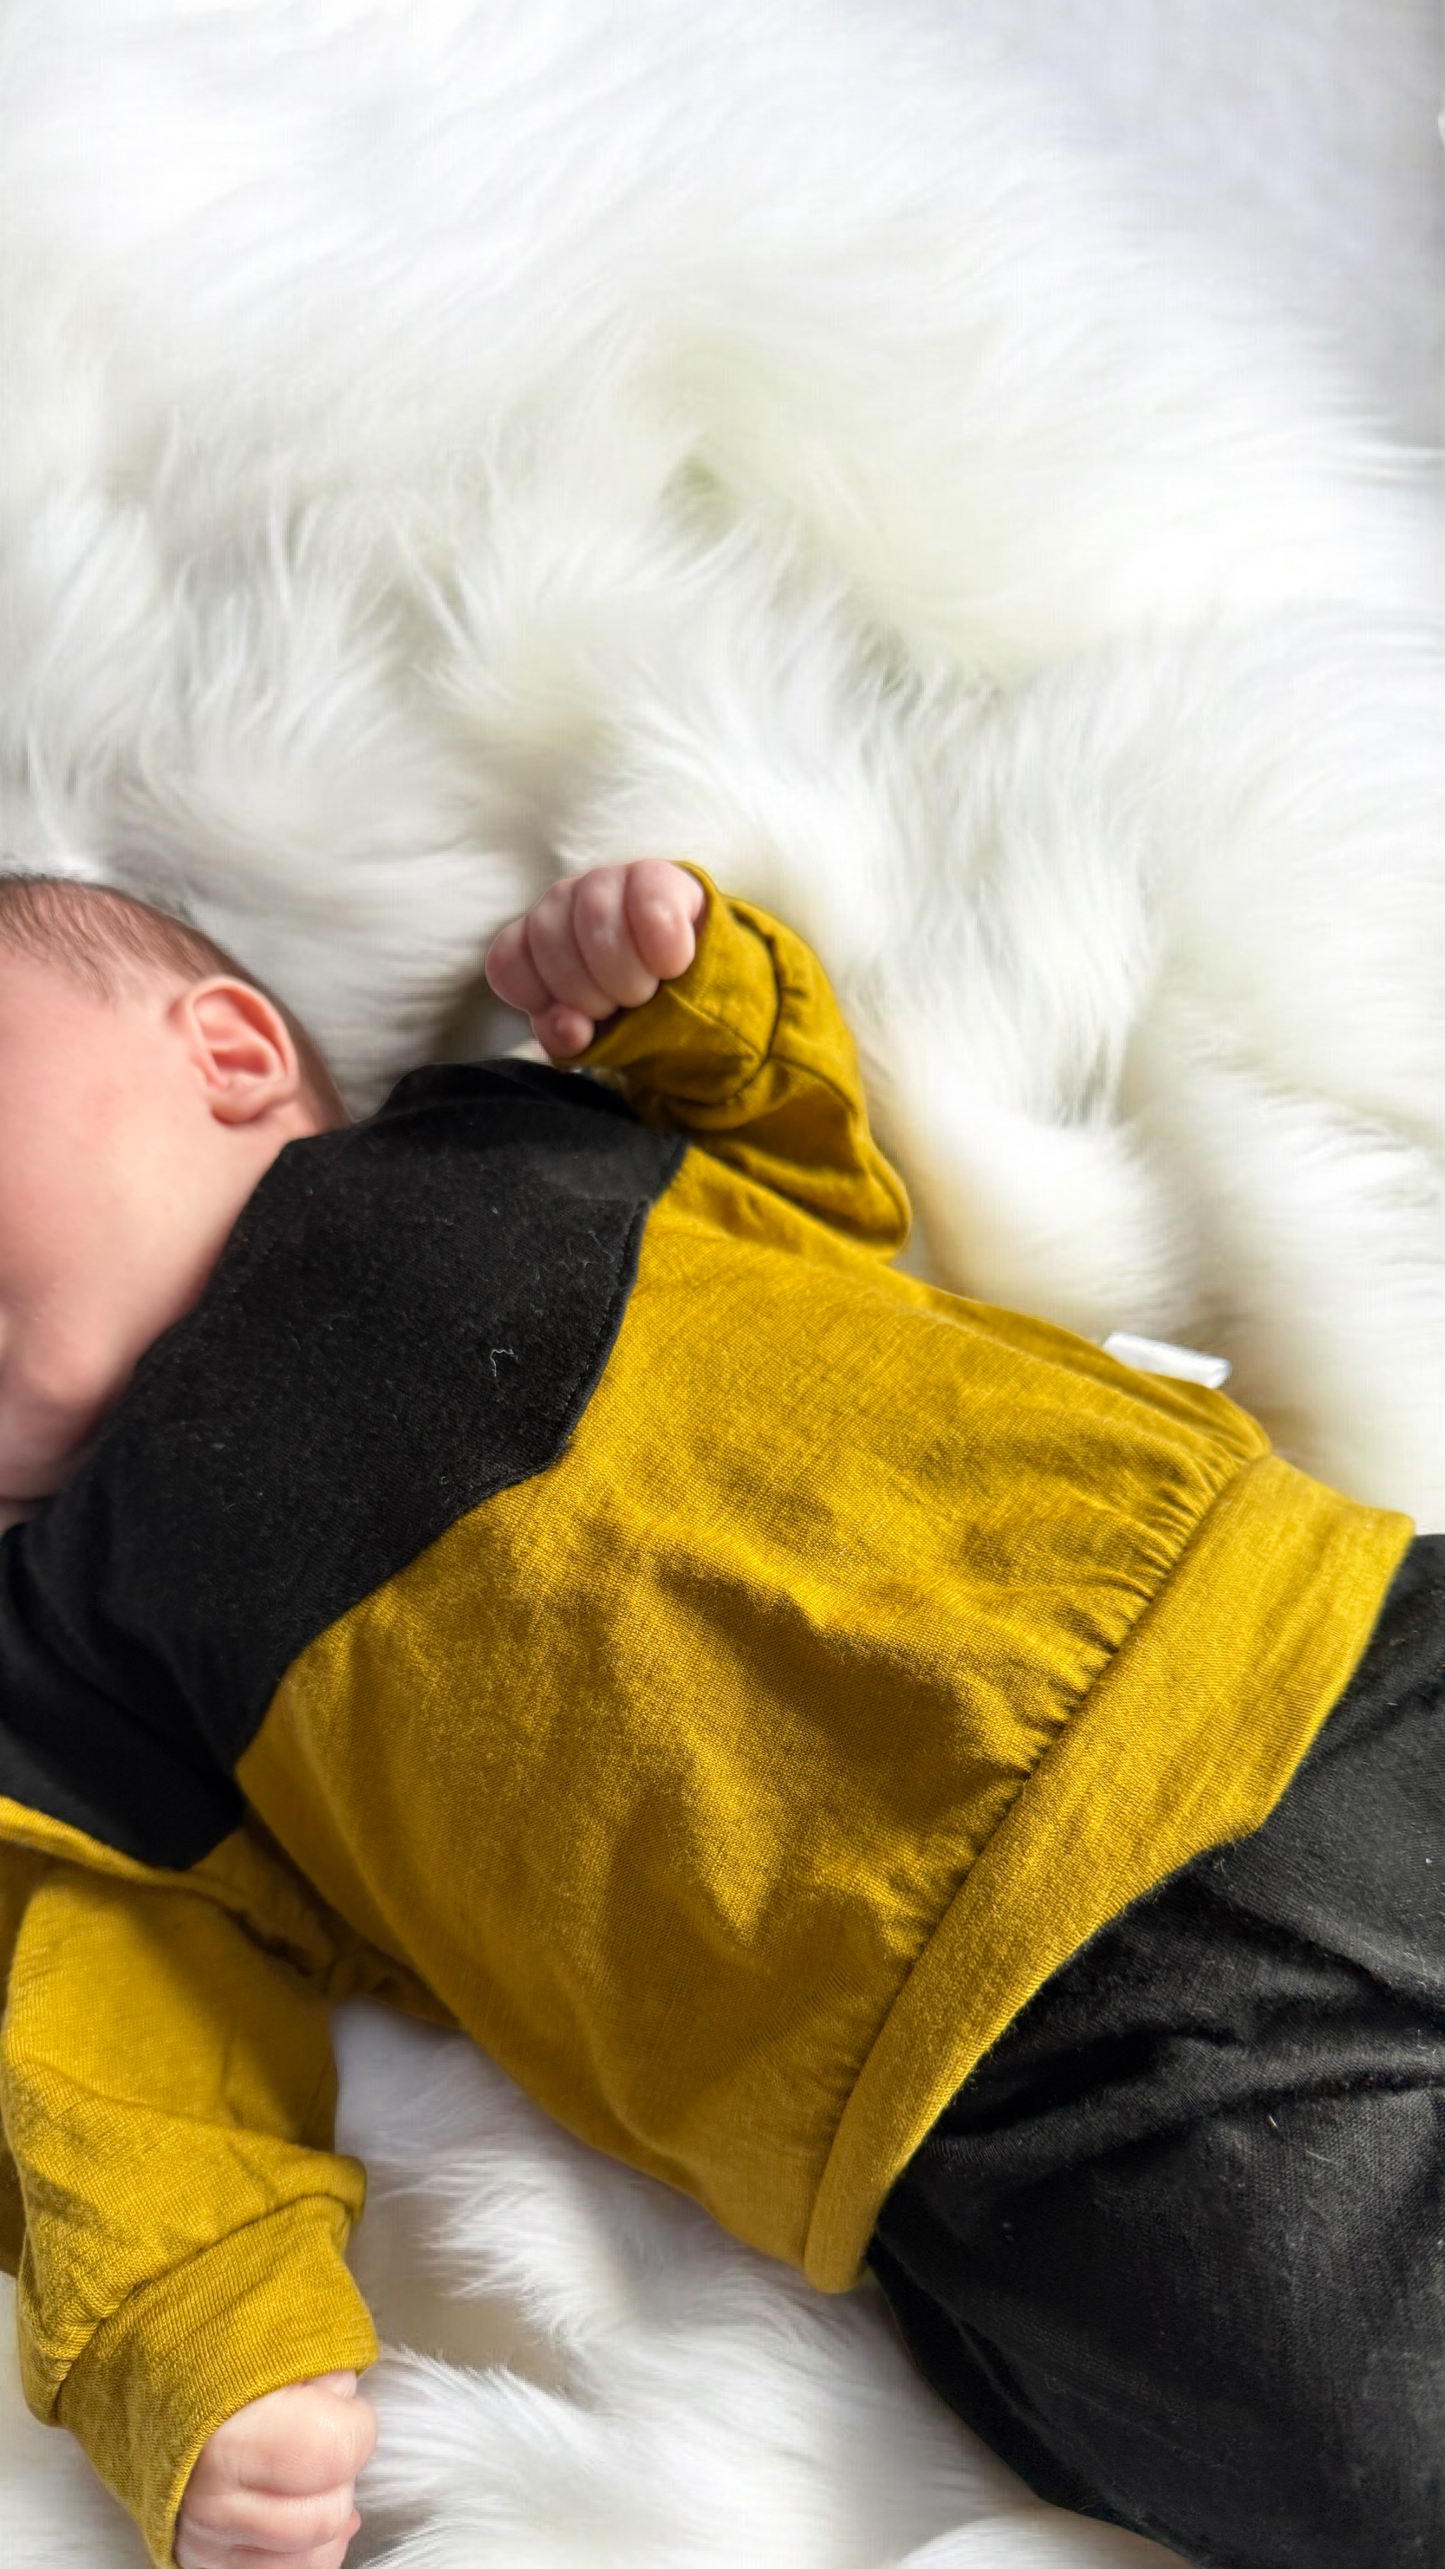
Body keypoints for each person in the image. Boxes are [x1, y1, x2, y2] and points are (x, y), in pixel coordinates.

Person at [0, 859, 1432, 2569]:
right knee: (1359, 2427)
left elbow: (812, 1180)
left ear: (228, 1054)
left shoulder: (491, 1135)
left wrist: (677, 996)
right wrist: (197, 2349)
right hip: (986, 2068)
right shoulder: (76, 1650)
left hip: (1285, 1633)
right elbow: (111, 2046)